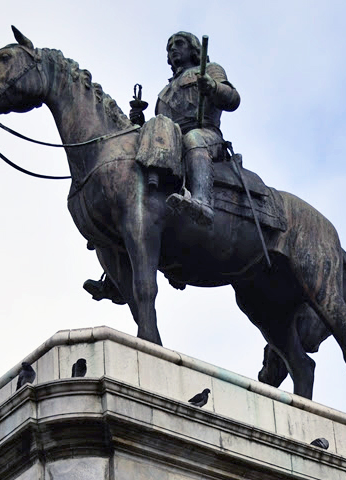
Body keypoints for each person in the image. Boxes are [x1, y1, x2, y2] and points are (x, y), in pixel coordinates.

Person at [83, 31, 240, 302]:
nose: (172, 51)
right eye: (168, 48)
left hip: (205, 135)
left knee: (193, 140)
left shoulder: (209, 70)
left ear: (193, 50)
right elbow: (162, 129)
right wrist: (139, 123)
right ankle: (114, 274)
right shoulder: (165, 92)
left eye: (178, 44)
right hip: (173, 143)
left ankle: (202, 201)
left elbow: (233, 98)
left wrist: (212, 87)